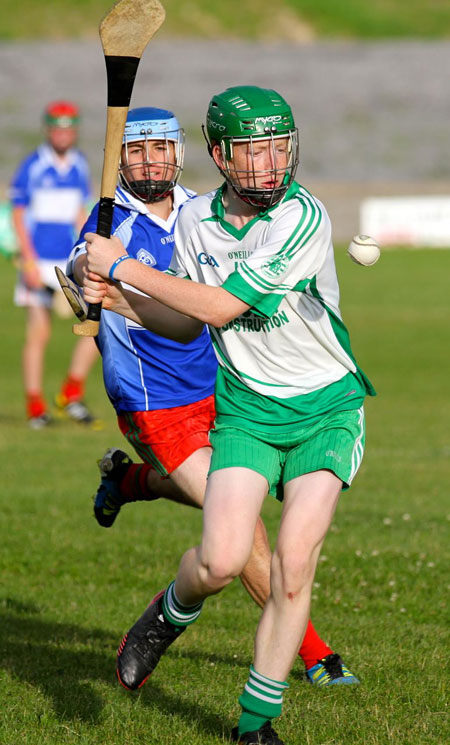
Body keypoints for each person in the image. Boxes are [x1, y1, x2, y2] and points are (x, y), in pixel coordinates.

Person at [82, 87, 376, 745]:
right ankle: (165, 616)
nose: (270, 164)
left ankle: (254, 724)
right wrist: (116, 300)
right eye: (251, 150)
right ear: (218, 154)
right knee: (218, 561)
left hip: (325, 409)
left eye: (279, 146)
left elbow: (220, 307)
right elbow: (186, 325)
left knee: (293, 561)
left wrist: (124, 266)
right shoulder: (197, 224)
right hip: (245, 412)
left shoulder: (302, 216)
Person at [9, 100, 100, 429]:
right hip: (38, 262)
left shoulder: (79, 165)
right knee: (39, 334)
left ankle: (71, 393)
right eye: (57, 129)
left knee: (95, 326)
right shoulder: (33, 165)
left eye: (68, 129)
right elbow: (18, 213)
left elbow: (81, 211)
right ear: (48, 130)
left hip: (69, 263)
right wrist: (29, 262)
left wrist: (88, 253)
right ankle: (36, 406)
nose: (63, 135)